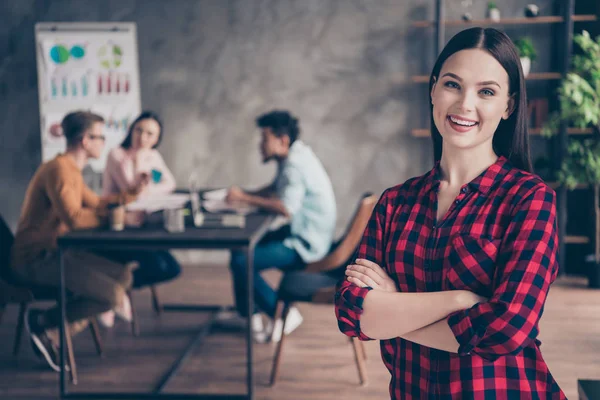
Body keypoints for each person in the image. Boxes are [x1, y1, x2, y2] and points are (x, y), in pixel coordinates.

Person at [335, 27, 565, 399]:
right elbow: (351, 313)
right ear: (433, 89)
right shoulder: (395, 203)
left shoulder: (530, 200)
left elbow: (509, 327)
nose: (464, 105)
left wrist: (391, 314)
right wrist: (460, 300)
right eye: (453, 85)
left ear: (508, 106)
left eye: (486, 91)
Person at [10, 111, 141, 371]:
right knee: (113, 296)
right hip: (35, 257)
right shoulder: (59, 170)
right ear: (84, 140)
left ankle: (56, 332)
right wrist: (118, 219)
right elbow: (74, 218)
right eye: (100, 137)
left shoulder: (71, 169)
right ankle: (42, 321)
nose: (104, 142)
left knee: (123, 275)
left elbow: (96, 203)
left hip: (57, 251)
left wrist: (132, 194)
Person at [225, 110, 337, 342]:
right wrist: (244, 194)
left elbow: (286, 208)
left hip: (306, 245)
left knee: (241, 260)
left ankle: (283, 314)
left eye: (265, 139)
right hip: (306, 234)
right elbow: (276, 188)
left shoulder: (294, 165)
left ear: (282, 140)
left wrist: (244, 199)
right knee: (239, 247)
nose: (260, 145)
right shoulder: (295, 155)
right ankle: (249, 316)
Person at [100, 111, 181, 327]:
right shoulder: (117, 154)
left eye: (150, 134)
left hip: (141, 225)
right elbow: (131, 190)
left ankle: (118, 287)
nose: (143, 137)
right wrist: (138, 160)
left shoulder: (153, 156)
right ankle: (112, 292)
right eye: (139, 130)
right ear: (131, 130)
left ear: (156, 139)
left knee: (171, 267)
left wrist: (150, 183)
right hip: (117, 226)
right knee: (160, 264)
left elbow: (169, 183)